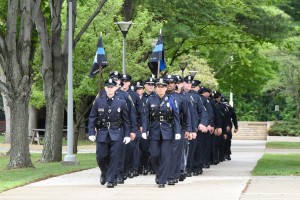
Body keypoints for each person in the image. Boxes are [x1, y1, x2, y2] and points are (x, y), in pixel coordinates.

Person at [88, 78, 130, 188]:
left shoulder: (121, 102)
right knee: (101, 156)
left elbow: (126, 120)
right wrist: (91, 132)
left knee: (115, 157)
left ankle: (111, 180)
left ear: (116, 88)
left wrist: (127, 135)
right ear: (105, 88)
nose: (110, 89)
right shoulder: (98, 101)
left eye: (112, 87)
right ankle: (105, 173)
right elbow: (92, 117)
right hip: (102, 132)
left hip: (116, 132)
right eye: (108, 87)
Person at [141, 78, 181, 188]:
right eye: (158, 86)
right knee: (154, 155)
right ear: (156, 88)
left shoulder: (172, 100)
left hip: (167, 130)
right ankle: (159, 173)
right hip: (154, 130)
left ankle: (162, 180)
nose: (160, 89)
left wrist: (177, 131)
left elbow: (176, 117)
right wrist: (145, 130)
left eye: (162, 87)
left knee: (166, 155)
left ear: (165, 88)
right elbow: (145, 117)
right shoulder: (150, 100)